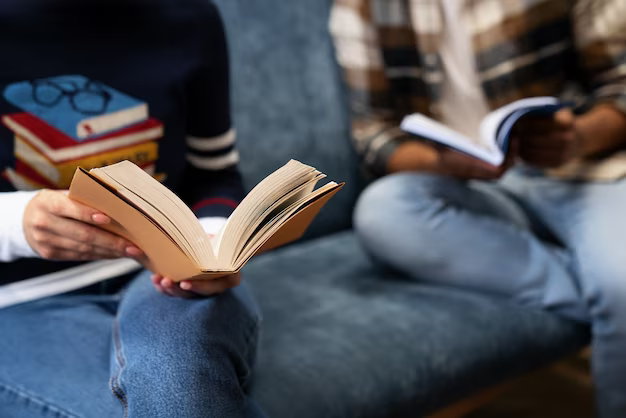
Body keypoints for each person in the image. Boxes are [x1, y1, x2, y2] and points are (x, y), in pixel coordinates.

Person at [330, 0, 626, 416]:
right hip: (469, 185)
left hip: (582, 172)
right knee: (383, 210)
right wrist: (441, 163)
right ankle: (608, 295)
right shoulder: (362, 7)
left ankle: (613, 292)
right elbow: (372, 132)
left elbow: (621, 83)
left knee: (622, 281)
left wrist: (578, 136)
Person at [0, 0, 265, 417]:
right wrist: (17, 224)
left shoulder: (190, 17)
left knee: (177, 374)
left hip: (163, 277)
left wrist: (211, 247)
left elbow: (215, 174)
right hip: (19, 304)